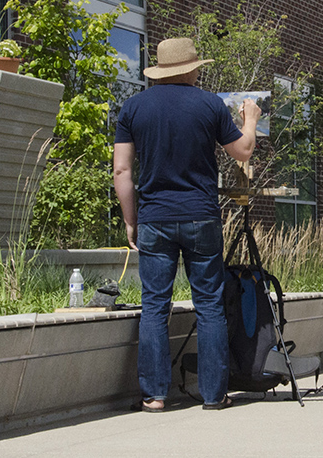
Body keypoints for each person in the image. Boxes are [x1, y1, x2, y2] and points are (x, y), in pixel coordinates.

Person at [113, 37, 261, 412]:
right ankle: (214, 395)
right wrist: (251, 120)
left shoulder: (133, 108)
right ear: (191, 68)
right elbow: (242, 151)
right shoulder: (209, 104)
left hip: (154, 217)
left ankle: (155, 396)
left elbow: (122, 169)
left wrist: (131, 219)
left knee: (155, 304)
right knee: (209, 304)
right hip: (200, 215)